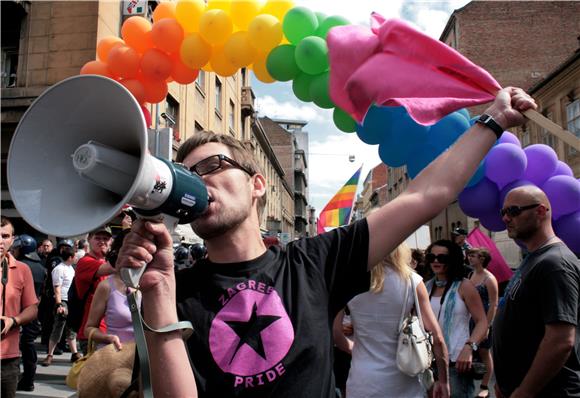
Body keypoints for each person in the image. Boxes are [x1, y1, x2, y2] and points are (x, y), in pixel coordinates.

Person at [116, 87, 537, 397]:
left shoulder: (314, 262)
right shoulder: (174, 288)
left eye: (212, 165)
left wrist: (493, 121)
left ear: (257, 184)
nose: (199, 179)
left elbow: (425, 195)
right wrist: (157, 295)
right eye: (187, 173)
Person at [493, 185, 580, 398]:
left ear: (540, 211)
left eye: (513, 211)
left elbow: (560, 340)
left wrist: (525, 391)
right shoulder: (534, 258)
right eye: (503, 212)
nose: (505, 218)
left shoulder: (555, 263)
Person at [335, 242, 449, 398]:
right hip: (404, 382)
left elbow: (335, 332)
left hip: (362, 382)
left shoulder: (347, 281)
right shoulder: (412, 281)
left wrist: (355, 349)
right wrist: (443, 381)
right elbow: (438, 338)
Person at [425, 240, 488, 398]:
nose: (436, 261)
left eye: (442, 258)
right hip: (427, 364)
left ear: (452, 260)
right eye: (432, 256)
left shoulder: (464, 286)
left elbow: (482, 322)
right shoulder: (425, 287)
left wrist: (469, 347)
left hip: (457, 364)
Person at [0, 217, 39, 398]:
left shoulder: (23, 269)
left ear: (12, 239)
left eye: (4, 236)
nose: (0, 241)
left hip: (8, 357)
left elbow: (32, 308)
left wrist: (13, 320)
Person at [12, 235, 46, 392]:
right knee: (29, 345)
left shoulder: (20, 266)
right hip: (33, 310)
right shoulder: (40, 267)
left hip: (17, 312)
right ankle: (29, 379)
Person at [74, 226, 115, 353]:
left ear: (110, 241)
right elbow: (115, 267)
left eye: (106, 238)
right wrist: (126, 234)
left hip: (111, 332)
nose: (102, 241)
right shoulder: (85, 262)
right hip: (94, 334)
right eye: (97, 238)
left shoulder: (107, 261)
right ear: (89, 240)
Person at [41, 246, 81, 366]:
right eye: (75, 256)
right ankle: (50, 355)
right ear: (70, 257)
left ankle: (74, 354)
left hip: (71, 301)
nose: (76, 259)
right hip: (62, 300)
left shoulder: (71, 268)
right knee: (58, 327)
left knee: (71, 329)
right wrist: (59, 305)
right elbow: (56, 289)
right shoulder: (59, 269)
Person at [467, 248, 498, 398]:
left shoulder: (489, 279)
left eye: (473, 256)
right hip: (470, 319)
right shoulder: (470, 274)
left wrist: (488, 326)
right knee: (470, 350)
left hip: (484, 320)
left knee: (484, 352)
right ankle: (470, 379)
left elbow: (494, 304)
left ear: (482, 259)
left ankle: (485, 386)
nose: (469, 258)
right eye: (469, 255)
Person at [84, 272, 137, 350]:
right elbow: (89, 328)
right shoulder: (106, 286)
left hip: (150, 357)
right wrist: (108, 338)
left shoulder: (152, 285)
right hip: (116, 354)